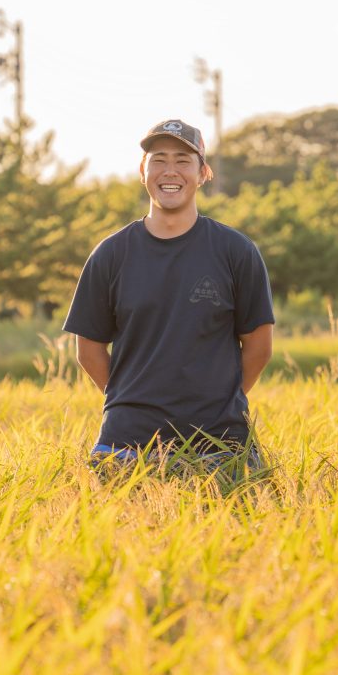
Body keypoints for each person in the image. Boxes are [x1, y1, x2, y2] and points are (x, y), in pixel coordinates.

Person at [64, 119, 274, 468]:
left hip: (220, 442)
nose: (170, 171)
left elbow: (259, 347)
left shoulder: (236, 251)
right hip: (126, 442)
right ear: (142, 171)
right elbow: (88, 349)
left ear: (204, 172)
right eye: (158, 159)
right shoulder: (111, 254)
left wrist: (221, 402)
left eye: (183, 160)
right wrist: (126, 399)